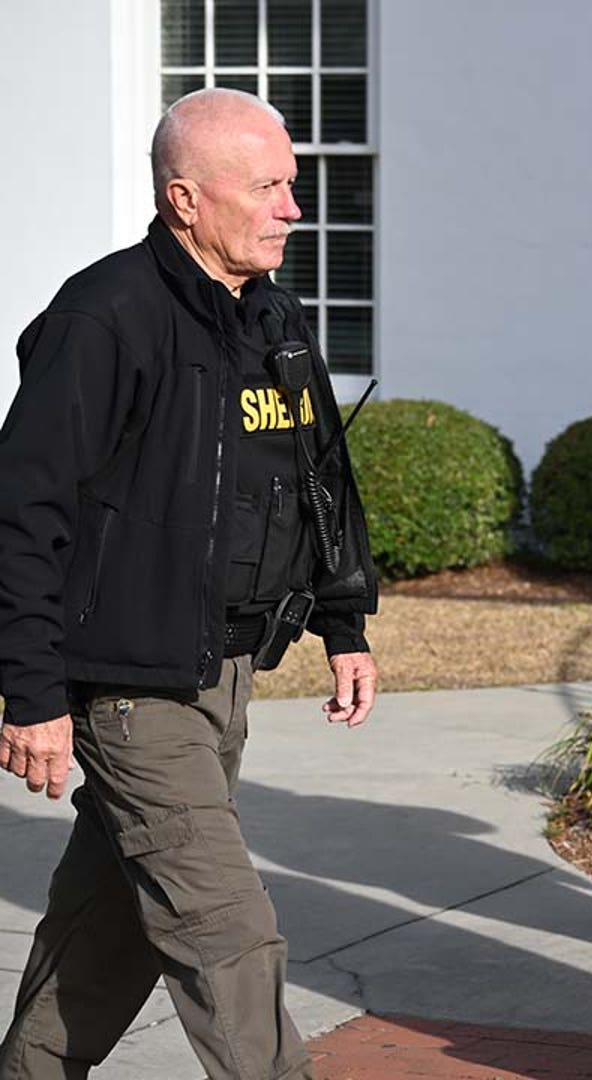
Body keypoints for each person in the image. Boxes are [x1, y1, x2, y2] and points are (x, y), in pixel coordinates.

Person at [0, 88, 379, 1079]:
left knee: (117, 916)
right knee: (226, 929)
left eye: (291, 184)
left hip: (223, 670)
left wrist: (346, 621)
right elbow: (23, 511)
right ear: (185, 199)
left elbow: (320, 477)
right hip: (130, 683)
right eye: (267, 187)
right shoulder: (105, 316)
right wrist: (32, 694)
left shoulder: (275, 317)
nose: (294, 207)